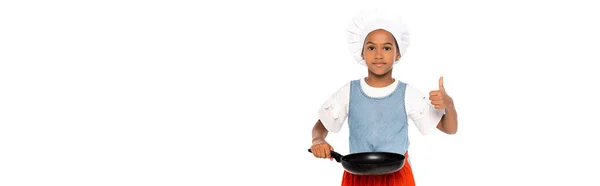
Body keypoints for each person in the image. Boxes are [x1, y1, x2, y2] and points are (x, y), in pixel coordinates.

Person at [309, 9, 459, 186]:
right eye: (371, 47)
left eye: (386, 48)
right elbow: (321, 125)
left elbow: (449, 128)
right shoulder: (348, 91)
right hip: (358, 176)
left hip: (397, 177)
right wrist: (318, 140)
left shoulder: (407, 94)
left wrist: (449, 105)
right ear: (362, 53)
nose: (378, 55)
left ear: (397, 53)